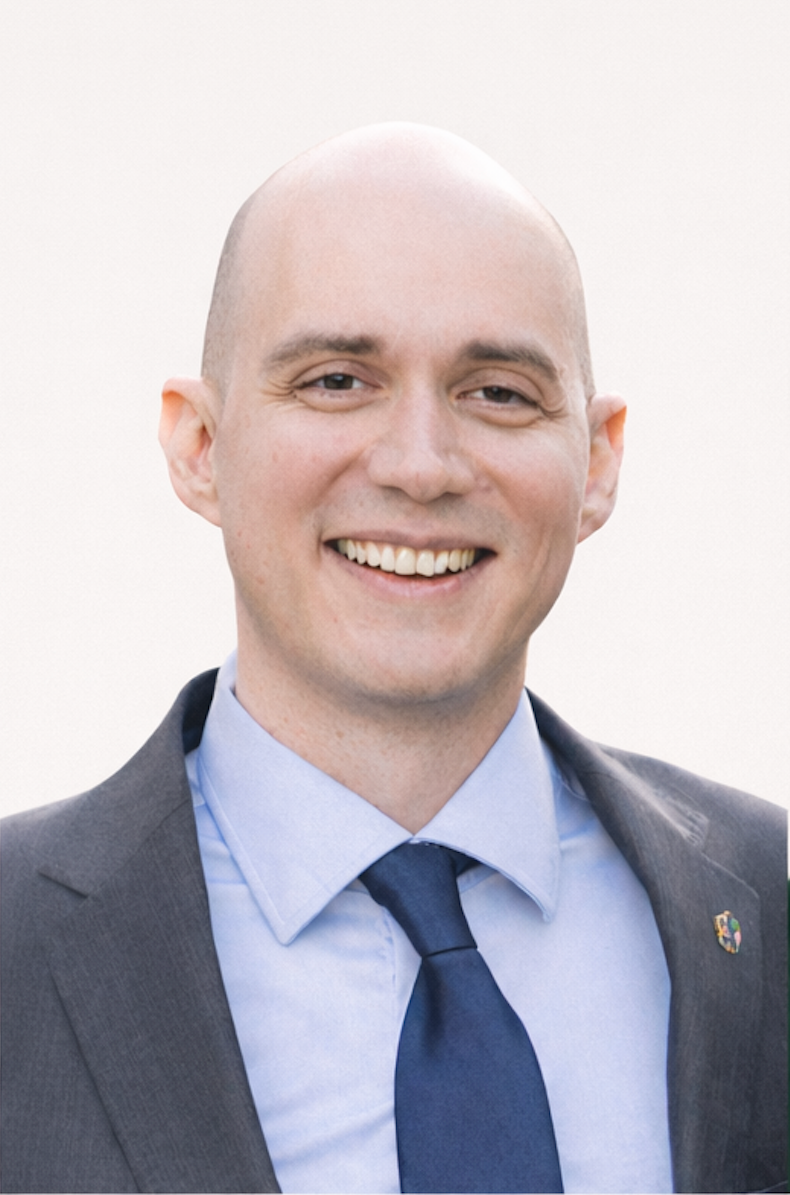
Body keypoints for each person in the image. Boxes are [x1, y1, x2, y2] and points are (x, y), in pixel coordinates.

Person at [1, 124, 785, 1195]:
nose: (420, 465)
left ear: (597, 463)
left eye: (498, 391)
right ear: (200, 446)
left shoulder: (762, 905)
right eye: (335, 380)